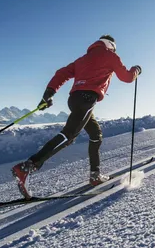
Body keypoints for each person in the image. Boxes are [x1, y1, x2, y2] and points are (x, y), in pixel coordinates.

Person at [11, 35, 142, 199]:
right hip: (87, 99)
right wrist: (136, 69)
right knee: (69, 136)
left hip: (74, 100)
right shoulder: (110, 55)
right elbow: (127, 77)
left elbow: (61, 73)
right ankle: (27, 167)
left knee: (95, 135)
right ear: (112, 46)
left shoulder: (83, 59)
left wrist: (48, 94)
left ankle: (95, 175)